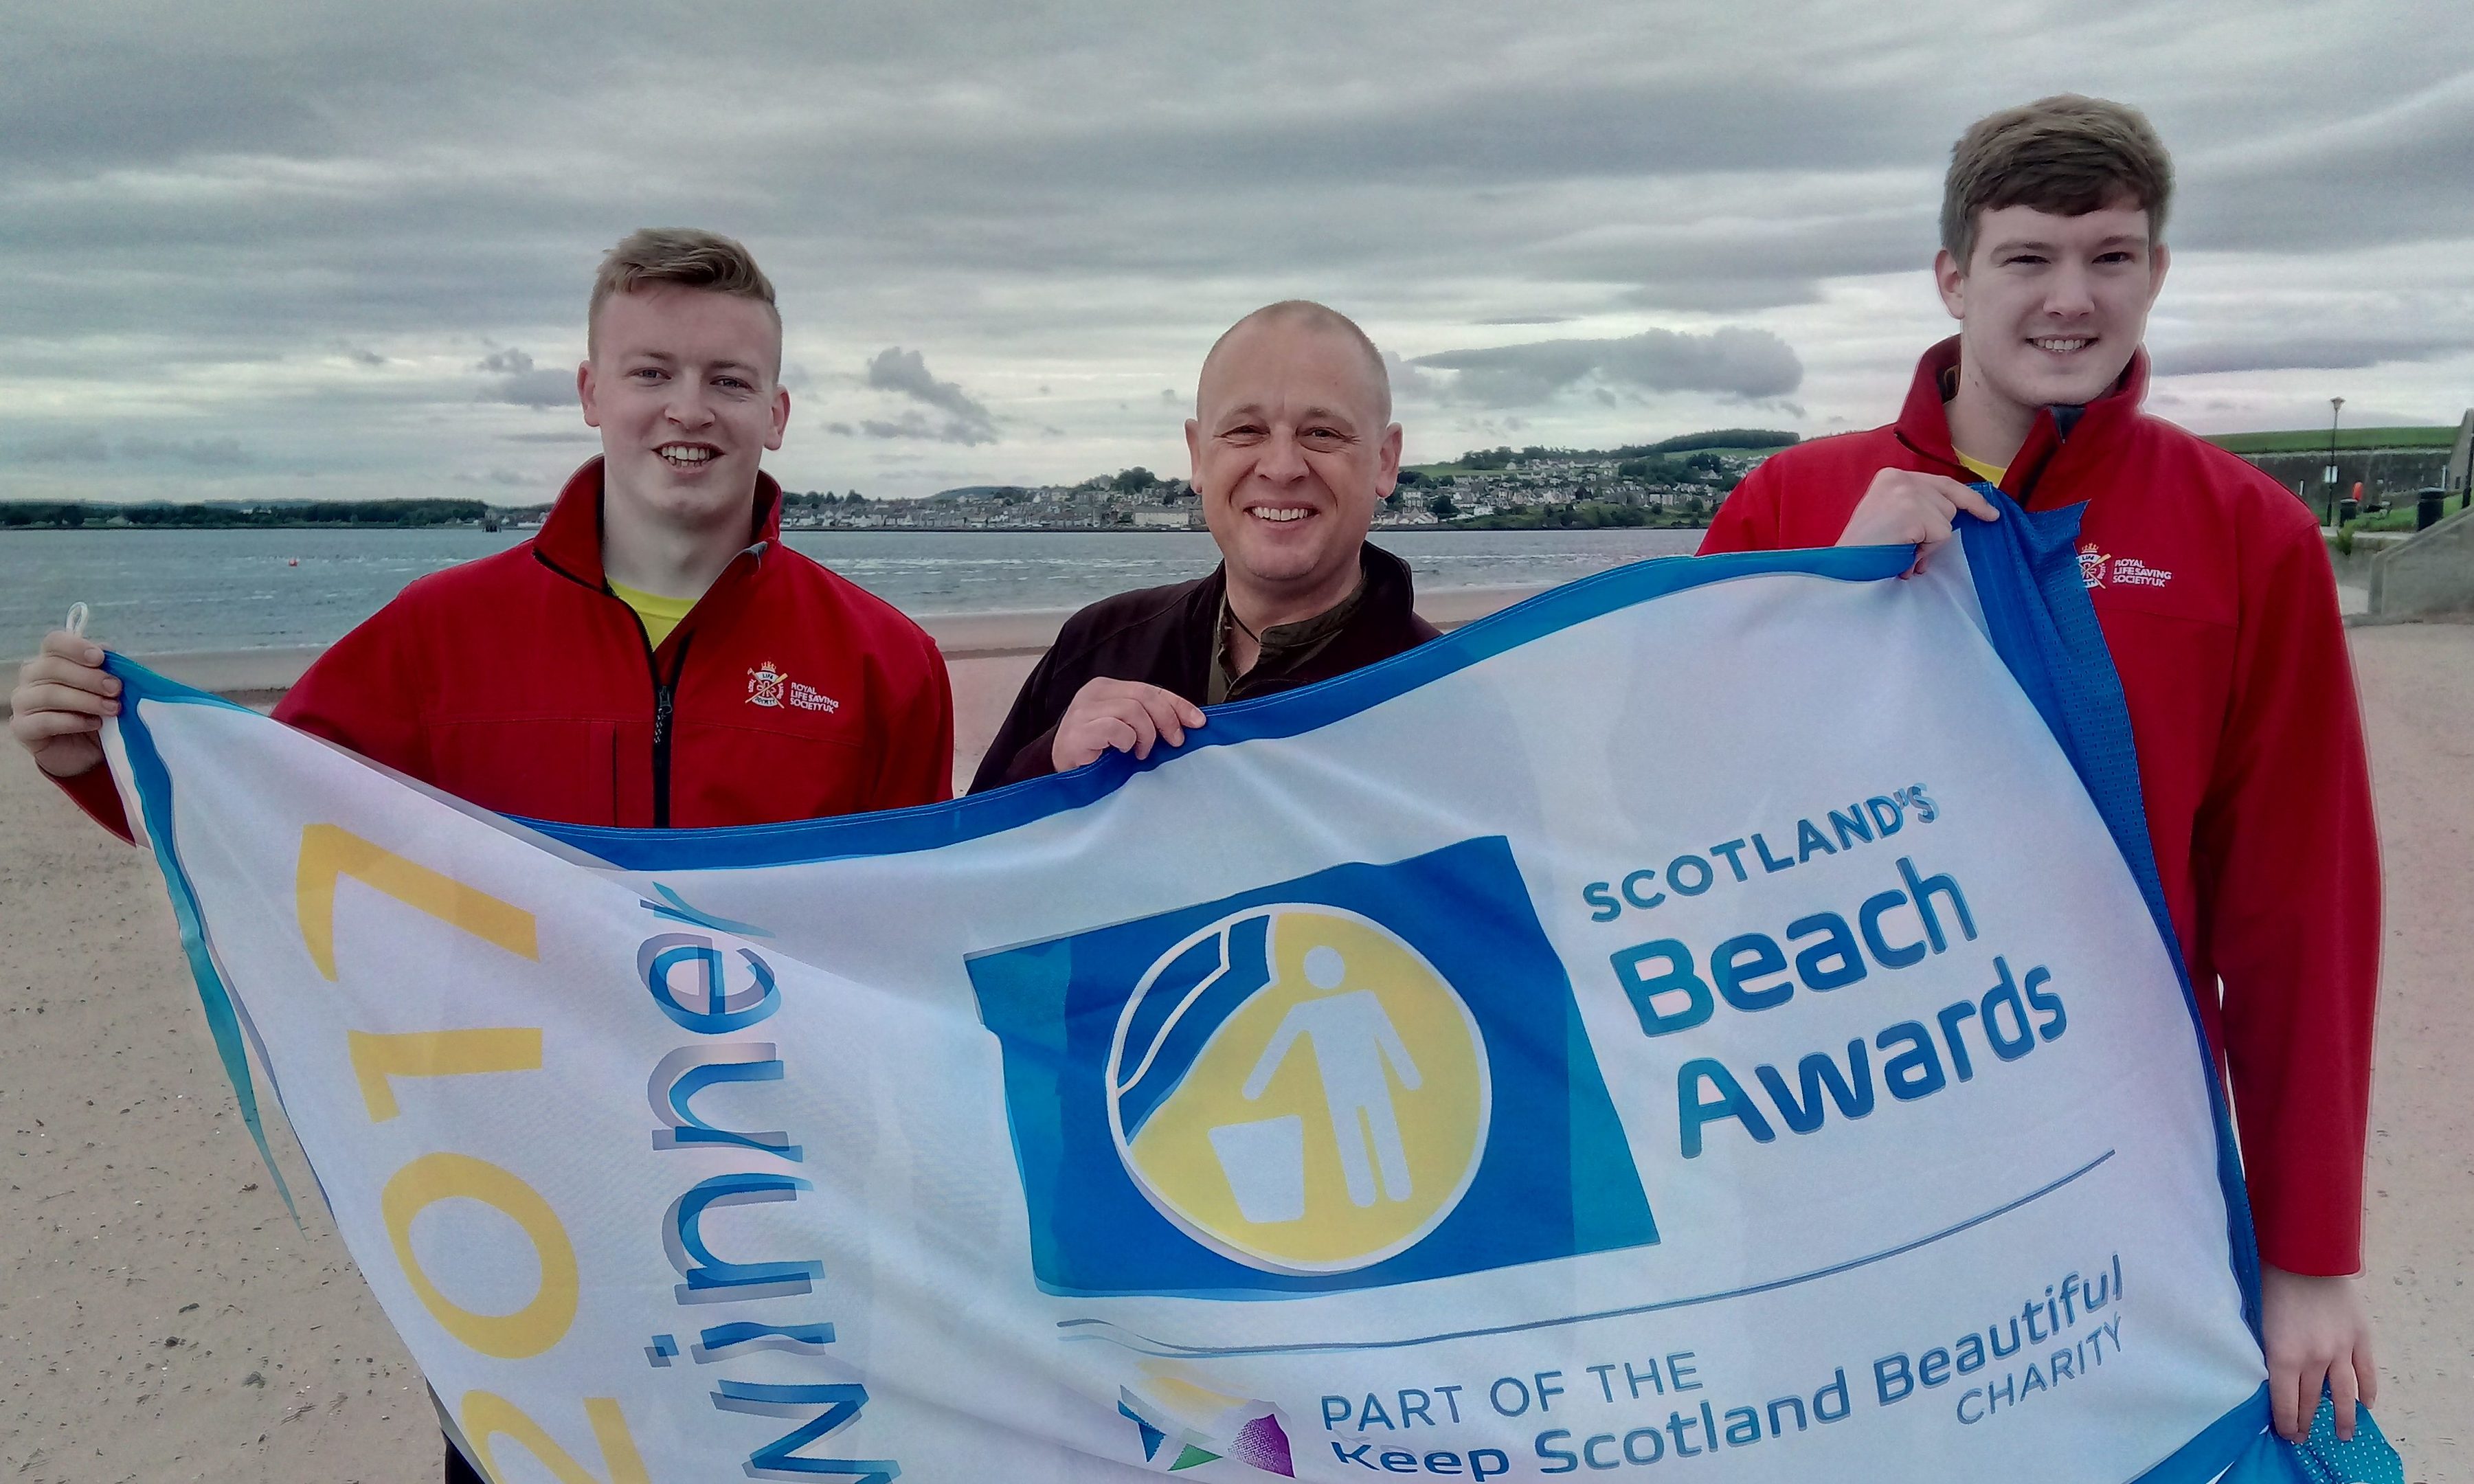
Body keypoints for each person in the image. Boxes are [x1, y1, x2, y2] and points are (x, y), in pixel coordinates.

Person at [9, 227, 955, 1481]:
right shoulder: (437, 639)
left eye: (728, 381)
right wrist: (91, 760)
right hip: (526, 1196)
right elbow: (258, 821)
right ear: (588, 393)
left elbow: (910, 951)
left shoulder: (880, 662)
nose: (689, 410)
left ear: (776, 413)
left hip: (780, 1208)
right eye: (650, 372)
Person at [1698, 96, 2379, 1442]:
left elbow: (2298, 915)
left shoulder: (2251, 538)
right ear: (1953, 277)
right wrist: (1831, 585)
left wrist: (2310, 1253)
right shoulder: (1789, 506)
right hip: (1843, 1150)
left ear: (2155, 271)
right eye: (2028, 259)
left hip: (2128, 1157)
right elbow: (1678, 817)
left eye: (2110, 256)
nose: (2071, 300)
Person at [970, 300, 1437, 791]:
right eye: (1245, 431)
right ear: (1197, 456)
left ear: (1385, 462)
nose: (1281, 467)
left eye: (1321, 433)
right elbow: (968, 857)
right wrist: (1048, 770)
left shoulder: (1442, 696)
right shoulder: (1095, 648)